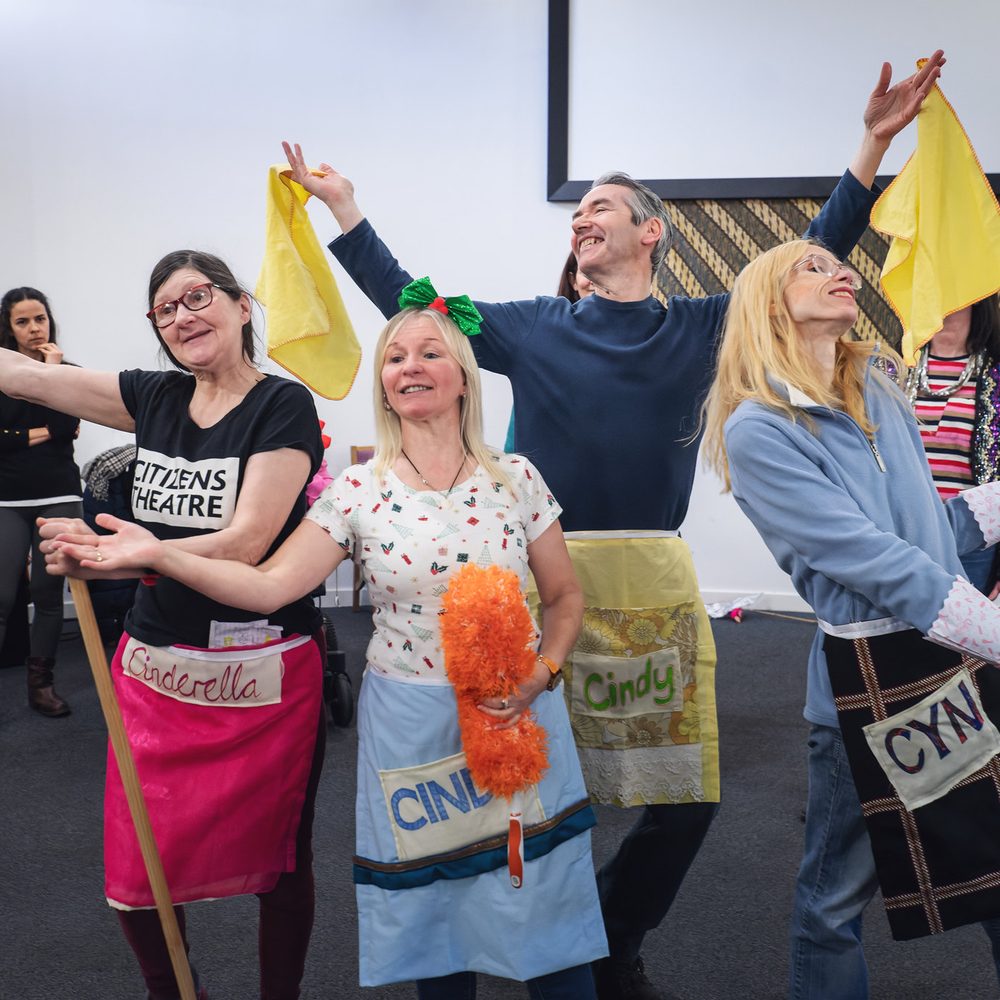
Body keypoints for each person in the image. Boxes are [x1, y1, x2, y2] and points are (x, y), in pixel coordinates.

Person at [281, 50, 945, 1000]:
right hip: (541, 582)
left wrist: (873, 141)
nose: (582, 218)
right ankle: (532, 941)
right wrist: (347, 210)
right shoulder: (527, 324)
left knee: (686, 797)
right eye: (577, 210)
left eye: (600, 205)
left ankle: (610, 935)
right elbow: (413, 308)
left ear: (652, 233)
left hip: (654, 581)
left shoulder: (702, 325)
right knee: (550, 785)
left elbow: (806, 248)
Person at [50, 301, 608, 999]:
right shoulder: (357, 490)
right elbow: (268, 584)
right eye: (396, 357)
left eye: (430, 353)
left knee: (546, 902)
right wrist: (154, 554)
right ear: (382, 384)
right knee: (436, 913)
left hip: (515, 716)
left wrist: (541, 671)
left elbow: (564, 599)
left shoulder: (515, 479)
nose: (412, 366)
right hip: (411, 724)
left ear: (463, 376)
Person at [3, 251, 326, 1000]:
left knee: (281, 858)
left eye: (198, 297)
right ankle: (172, 991)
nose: (182, 317)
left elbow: (249, 542)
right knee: (140, 854)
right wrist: (135, 561)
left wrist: (136, 557)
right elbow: (26, 376)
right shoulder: (154, 397)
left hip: (265, 674)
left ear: (242, 305)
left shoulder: (283, 405)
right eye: (165, 310)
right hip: (156, 672)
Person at [700, 238, 1000, 998]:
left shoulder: (879, 391)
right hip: (868, 692)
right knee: (834, 902)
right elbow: (866, 557)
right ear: (770, 302)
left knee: (996, 860)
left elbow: (926, 528)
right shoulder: (758, 428)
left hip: (950, 666)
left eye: (841, 263)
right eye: (813, 264)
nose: (844, 272)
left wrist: (990, 508)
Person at [0, 287, 82, 717]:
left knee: (49, 595)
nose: (34, 329)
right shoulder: (1, 374)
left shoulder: (68, 372)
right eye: (23, 322)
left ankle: (41, 686)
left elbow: (67, 427)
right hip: (6, 498)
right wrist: (36, 433)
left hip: (60, 493)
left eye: (40, 319)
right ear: (8, 328)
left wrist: (54, 373)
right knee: (1, 597)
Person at [905, 295, 1000, 591]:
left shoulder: (995, 371)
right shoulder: (895, 366)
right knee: (902, 634)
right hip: (904, 533)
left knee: (961, 635)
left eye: (954, 297)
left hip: (974, 537)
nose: (942, 306)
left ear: (977, 301)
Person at [504, 251, 594, 451]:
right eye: (588, 272)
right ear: (573, 280)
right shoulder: (541, 333)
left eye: (606, 270)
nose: (595, 280)